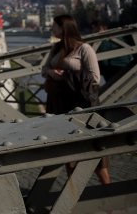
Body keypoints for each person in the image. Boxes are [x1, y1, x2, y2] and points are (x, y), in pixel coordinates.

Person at [41, 15, 109, 184]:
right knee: (69, 153)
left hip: (81, 105)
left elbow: (95, 78)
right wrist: (51, 73)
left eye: (54, 26)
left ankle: (107, 192)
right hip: (59, 104)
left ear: (63, 28)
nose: (51, 29)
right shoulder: (56, 48)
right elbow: (43, 69)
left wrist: (70, 76)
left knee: (95, 152)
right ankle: (75, 196)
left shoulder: (84, 49)